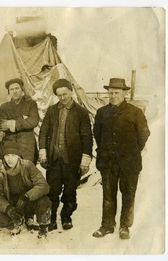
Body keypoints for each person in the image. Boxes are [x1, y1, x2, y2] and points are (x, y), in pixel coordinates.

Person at [92, 78, 150, 240]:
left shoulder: (135, 112)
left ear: (124, 93)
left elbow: (144, 134)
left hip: (129, 162)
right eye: (110, 93)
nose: (113, 96)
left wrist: (131, 151)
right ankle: (107, 225)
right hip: (108, 162)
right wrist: (107, 150)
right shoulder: (101, 112)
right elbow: (97, 134)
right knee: (108, 195)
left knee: (128, 195)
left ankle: (125, 226)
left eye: (116, 93)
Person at [39, 78, 93, 231]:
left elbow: (87, 137)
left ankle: (66, 216)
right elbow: (43, 132)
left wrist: (85, 158)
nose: (62, 98)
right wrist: (43, 152)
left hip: (72, 160)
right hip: (54, 160)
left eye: (65, 94)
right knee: (52, 190)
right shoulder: (51, 111)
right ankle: (51, 218)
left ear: (71, 92)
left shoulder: (81, 112)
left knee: (70, 191)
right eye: (59, 95)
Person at [0, 141, 51, 238]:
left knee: (44, 201)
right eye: (7, 155)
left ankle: (43, 227)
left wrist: (26, 196)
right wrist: (8, 209)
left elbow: (43, 185)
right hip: (13, 205)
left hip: (28, 202)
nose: (10, 159)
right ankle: (17, 221)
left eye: (13, 155)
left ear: (19, 156)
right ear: (3, 157)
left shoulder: (28, 166)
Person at [0, 78, 39, 164]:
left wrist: (13, 124)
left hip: (27, 148)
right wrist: (24, 121)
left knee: (27, 173)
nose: (15, 91)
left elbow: (34, 121)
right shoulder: (4, 107)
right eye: (11, 89)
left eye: (17, 88)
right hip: (10, 148)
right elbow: (3, 125)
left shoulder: (31, 104)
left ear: (22, 90)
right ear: (9, 92)